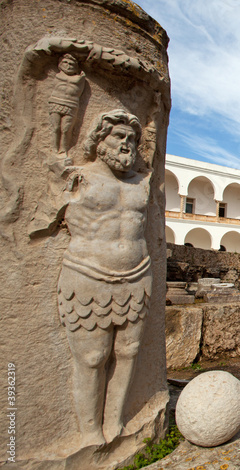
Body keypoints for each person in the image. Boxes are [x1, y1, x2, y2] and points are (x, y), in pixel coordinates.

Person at [57, 109, 151, 446]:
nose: (127, 145)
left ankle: (115, 423)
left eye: (132, 139)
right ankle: (89, 432)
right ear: (100, 140)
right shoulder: (78, 176)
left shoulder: (143, 182)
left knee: (129, 350)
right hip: (88, 274)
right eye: (119, 137)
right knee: (92, 357)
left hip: (137, 275)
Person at [48, 54, 86, 157]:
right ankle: (54, 149)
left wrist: (80, 78)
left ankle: (63, 150)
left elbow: (79, 90)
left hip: (71, 104)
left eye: (71, 64)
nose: (68, 66)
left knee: (66, 129)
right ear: (60, 63)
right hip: (56, 101)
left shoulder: (79, 78)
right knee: (55, 127)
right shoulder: (57, 75)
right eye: (65, 63)